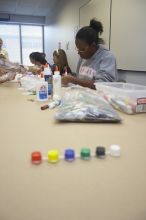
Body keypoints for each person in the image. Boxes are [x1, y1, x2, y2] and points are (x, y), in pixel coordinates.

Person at [62, 19, 118, 89]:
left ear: (93, 46)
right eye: (78, 49)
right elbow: (79, 79)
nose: (79, 53)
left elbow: (102, 85)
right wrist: (71, 79)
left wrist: (73, 80)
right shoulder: (83, 57)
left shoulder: (107, 57)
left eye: (82, 49)